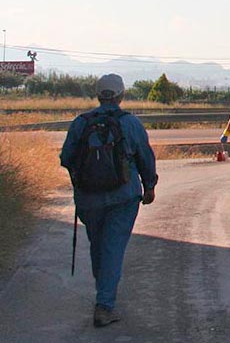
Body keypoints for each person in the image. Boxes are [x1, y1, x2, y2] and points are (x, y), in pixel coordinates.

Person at [60, 74, 157, 328]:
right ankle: (104, 305)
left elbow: (67, 157)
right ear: (121, 95)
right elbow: (145, 157)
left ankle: (103, 290)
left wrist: (83, 182)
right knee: (113, 248)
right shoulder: (130, 123)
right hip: (123, 197)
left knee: (98, 244)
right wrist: (149, 186)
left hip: (88, 198)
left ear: (98, 95)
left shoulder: (81, 123)